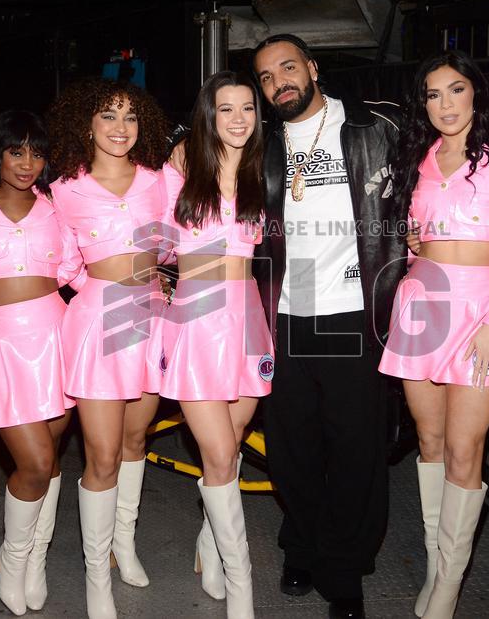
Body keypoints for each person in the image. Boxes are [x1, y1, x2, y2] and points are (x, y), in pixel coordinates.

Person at [251, 33, 489, 618]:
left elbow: (449, 109)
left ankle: (347, 566)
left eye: (288, 66)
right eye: (265, 76)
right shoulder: (258, 140)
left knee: (358, 448)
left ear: (311, 65)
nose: (279, 80)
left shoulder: (376, 125)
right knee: (290, 449)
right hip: (282, 311)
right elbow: (202, 131)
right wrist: (180, 142)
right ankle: (301, 545)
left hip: (360, 309)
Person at [379, 51, 489, 618]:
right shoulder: (417, 158)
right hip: (422, 305)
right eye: (432, 94)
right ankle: (433, 561)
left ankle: (448, 583)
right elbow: (410, 236)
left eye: (455, 90)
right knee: (429, 441)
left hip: (482, 310)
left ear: (477, 92)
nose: (444, 104)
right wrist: (412, 244)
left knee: (466, 448)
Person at [48, 78, 171, 619]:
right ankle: (97, 572)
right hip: (98, 318)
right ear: (87, 124)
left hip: (153, 315)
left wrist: (165, 278)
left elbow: (179, 239)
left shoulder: (159, 180)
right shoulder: (63, 189)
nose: (121, 128)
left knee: (135, 438)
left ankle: (125, 544)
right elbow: (61, 261)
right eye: (108, 116)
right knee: (99, 454)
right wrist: (97, 289)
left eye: (130, 117)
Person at [159, 70, 273, 619]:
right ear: (208, 116)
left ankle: (211, 538)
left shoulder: (264, 171)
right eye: (224, 109)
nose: (237, 119)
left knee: (231, 440)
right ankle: (241, 583)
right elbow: (144, 244)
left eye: (247, 108)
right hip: (197, 317)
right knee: (222, 453)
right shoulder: (179, 169)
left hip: (247, 316)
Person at [0, 111, 79, 615]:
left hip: (55, 335)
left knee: (50, 460)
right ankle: (14, 555)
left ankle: (34, 559)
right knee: (33, 463)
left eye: (36, 153)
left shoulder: (56, 208)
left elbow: (80, 267)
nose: (27, 163)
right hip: (0, 342)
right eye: (16, 151)